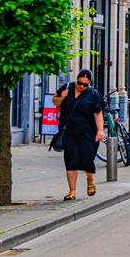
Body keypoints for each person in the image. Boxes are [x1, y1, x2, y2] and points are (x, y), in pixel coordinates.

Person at [53, 70, 105, 200]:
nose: (82, 86)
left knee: (87, 160)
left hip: (88, 133)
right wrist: (63, 97)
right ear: (76, 80)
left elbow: (98, 113)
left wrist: (100, 130)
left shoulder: (93, 94)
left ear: (89, 84)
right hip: (69, 132)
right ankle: (72, 191)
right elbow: (55, 101)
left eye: (85, 85)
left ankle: (90, 179)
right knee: (71, 161)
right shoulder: (67, 88)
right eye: (80, 83)